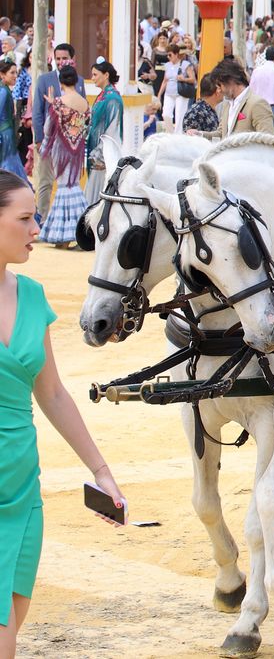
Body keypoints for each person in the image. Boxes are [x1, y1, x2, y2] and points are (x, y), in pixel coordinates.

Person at [0, 171, 126, 658]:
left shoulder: (32, 295)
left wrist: (101, 471)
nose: (39, 229)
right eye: (26, 219)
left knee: (13, 612)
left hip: (21, 488)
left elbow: (51, 393)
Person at [27, 44, 84, 222]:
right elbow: (37, 111)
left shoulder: (79, 81)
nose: (60, 62)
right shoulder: (45, 80)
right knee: (45, 182)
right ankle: (42, 219)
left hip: (69, 145)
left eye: (64, 58)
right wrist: (39, 139)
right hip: (47, 141)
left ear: (72, 59)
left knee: (68, 184)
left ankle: (66, 223)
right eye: (57, 58)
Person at [36, 66, 89, 247]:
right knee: (72, 185)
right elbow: (82, 127)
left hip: (61, 149)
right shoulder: (83, 102)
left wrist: (44, 147)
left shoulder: (59, 102)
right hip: (78, 150)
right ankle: (78, 230)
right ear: (76, 80)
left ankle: (65, 234)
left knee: (64, 187)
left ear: (61, 82)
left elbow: (48, 128)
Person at [83, 62, 123, 206]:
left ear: (106, 75)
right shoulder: (103, 96)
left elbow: (111, 130)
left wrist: (100, 154)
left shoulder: (112, 99)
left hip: (102, 157)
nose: (92, 78)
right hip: (97, 151)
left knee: (97, 196)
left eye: (95, 75)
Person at [213, 61, 274, 136]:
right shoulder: (227, 104)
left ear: (230, 80)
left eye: (219, 85)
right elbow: (221, 134)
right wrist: (198, 134)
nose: (218, 91)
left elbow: (267, 139)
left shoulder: (257, 103)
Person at [250, 45, 274, 134]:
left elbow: (251, 89)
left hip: (257, 106)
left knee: (259, 135)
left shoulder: (257, 71)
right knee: (273, 138)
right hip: (273, 108)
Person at [0, 63, 25, 182]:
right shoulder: (4, 92)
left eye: (16, 72)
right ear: (2, 75)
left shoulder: (5, 90)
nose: (15, 76)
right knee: (10, 165)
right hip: (5, 134)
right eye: (12, 73)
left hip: (8, 132)